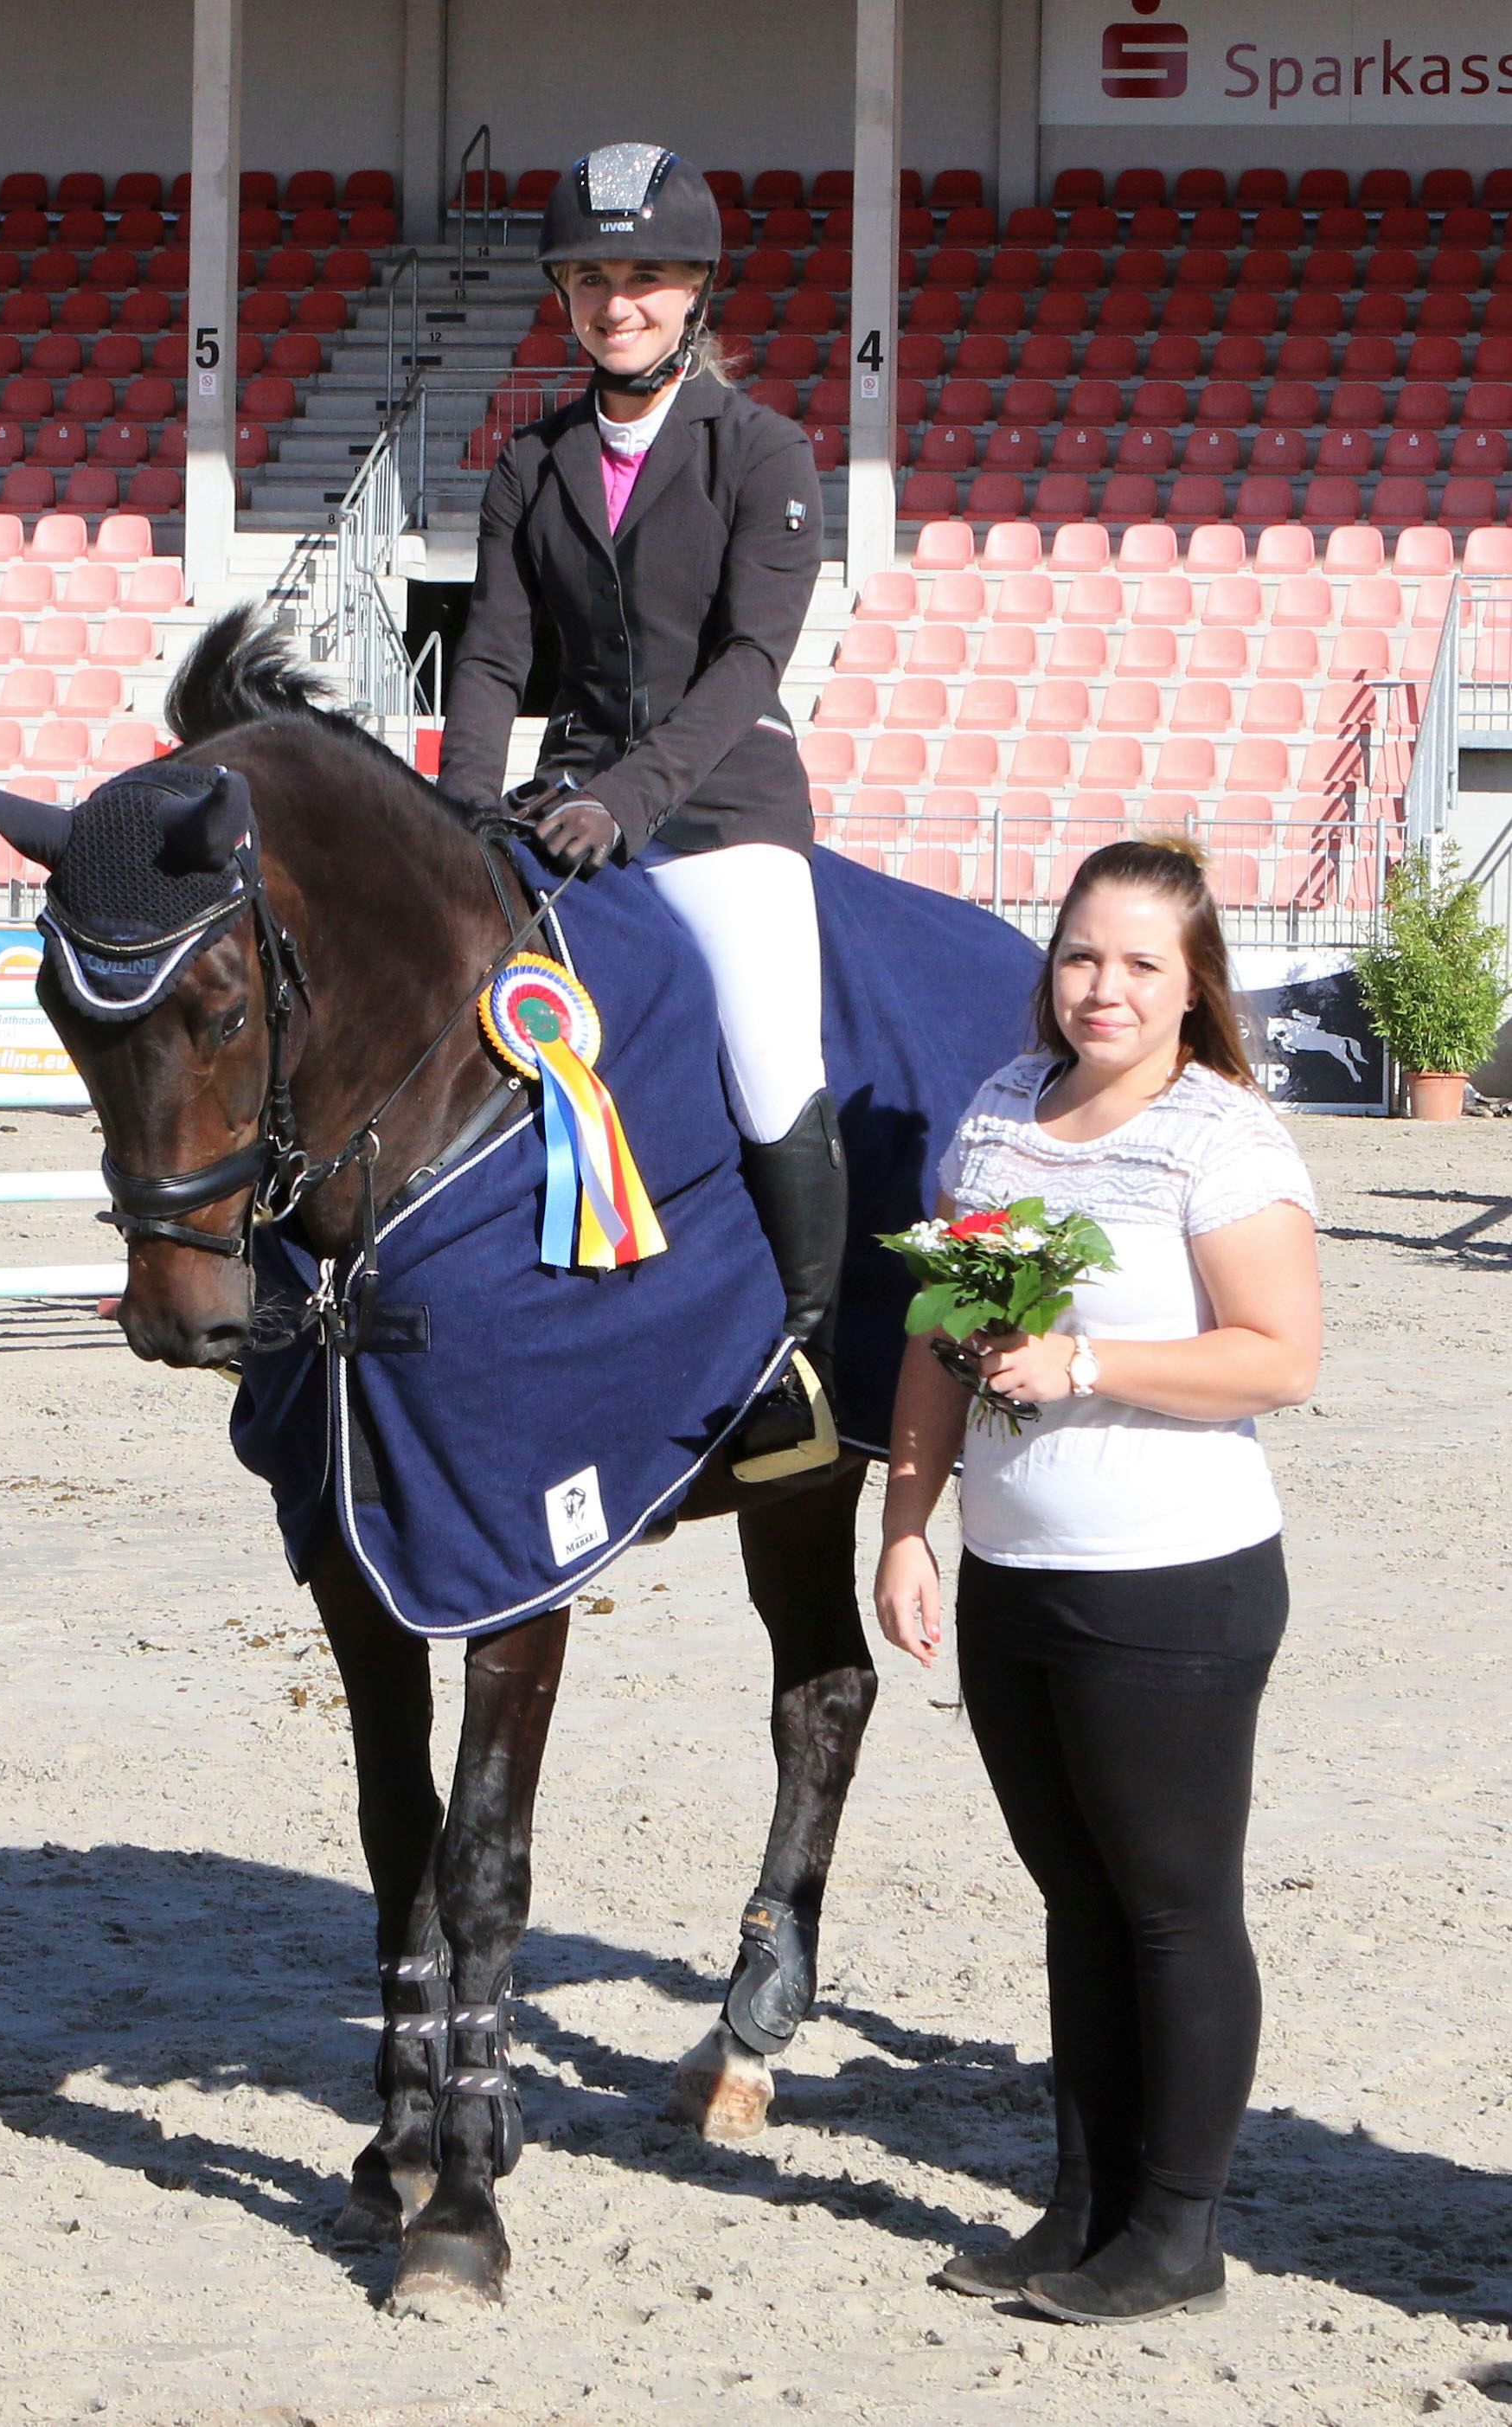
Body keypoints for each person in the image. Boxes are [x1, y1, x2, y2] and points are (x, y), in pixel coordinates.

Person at [874, 838, 1322, 2326]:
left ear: (1195, 986)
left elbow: (1279, 1355)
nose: (1102, 988)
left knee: (1171, 1907)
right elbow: (939, 1328)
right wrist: (905, 1521)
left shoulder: (1222, 1136)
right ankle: (1081, 2203)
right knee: (1076, 1900)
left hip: (1171, 1580)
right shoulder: (1003, 1106)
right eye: (1079, 955)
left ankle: (1177, 2230)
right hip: (1013, 1571)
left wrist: (1087, 1362)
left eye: (1139, 962)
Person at [436, 143, 842, 1480]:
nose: (620, 303)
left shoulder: (763, 451)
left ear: (695, 291)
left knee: (769, 1059)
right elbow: (492, 654)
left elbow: (749, 663)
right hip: (566, 802)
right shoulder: (530, 460)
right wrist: (461, 814)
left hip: (720, 805)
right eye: (594, 279)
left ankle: (796, 1362)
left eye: (648, 278)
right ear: (564, 295)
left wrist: (630, 797)